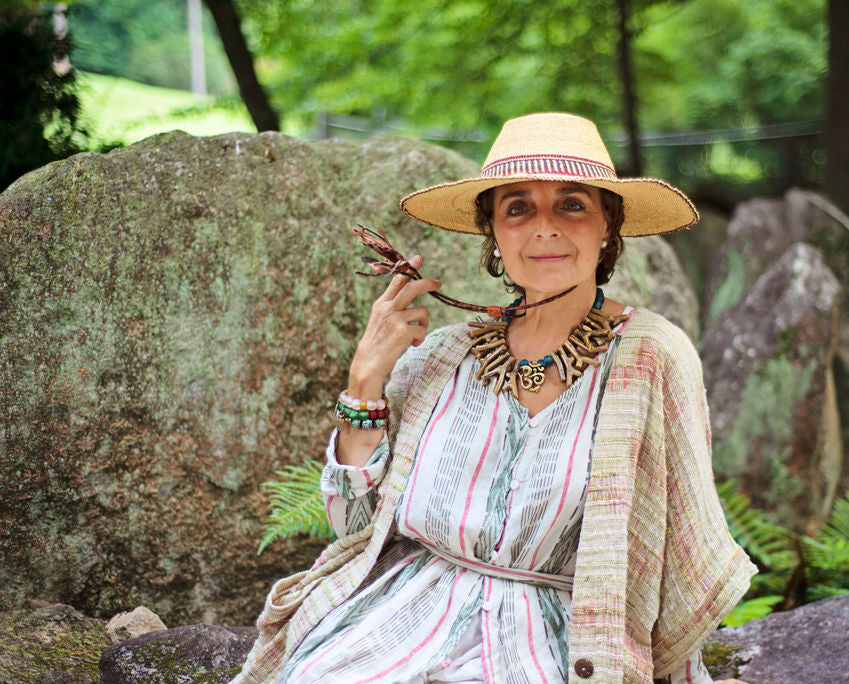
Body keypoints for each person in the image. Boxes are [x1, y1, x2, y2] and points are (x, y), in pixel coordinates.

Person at [233, 112, 756, 684]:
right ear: (493, 231)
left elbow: (680, 554)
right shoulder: (442, 356)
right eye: (518, 207)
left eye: (572, 204)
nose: (545, 227)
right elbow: (354, 526)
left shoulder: (652, 356)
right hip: (401, 618)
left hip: (560, 642)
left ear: (610, 224)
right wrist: (365, 380)